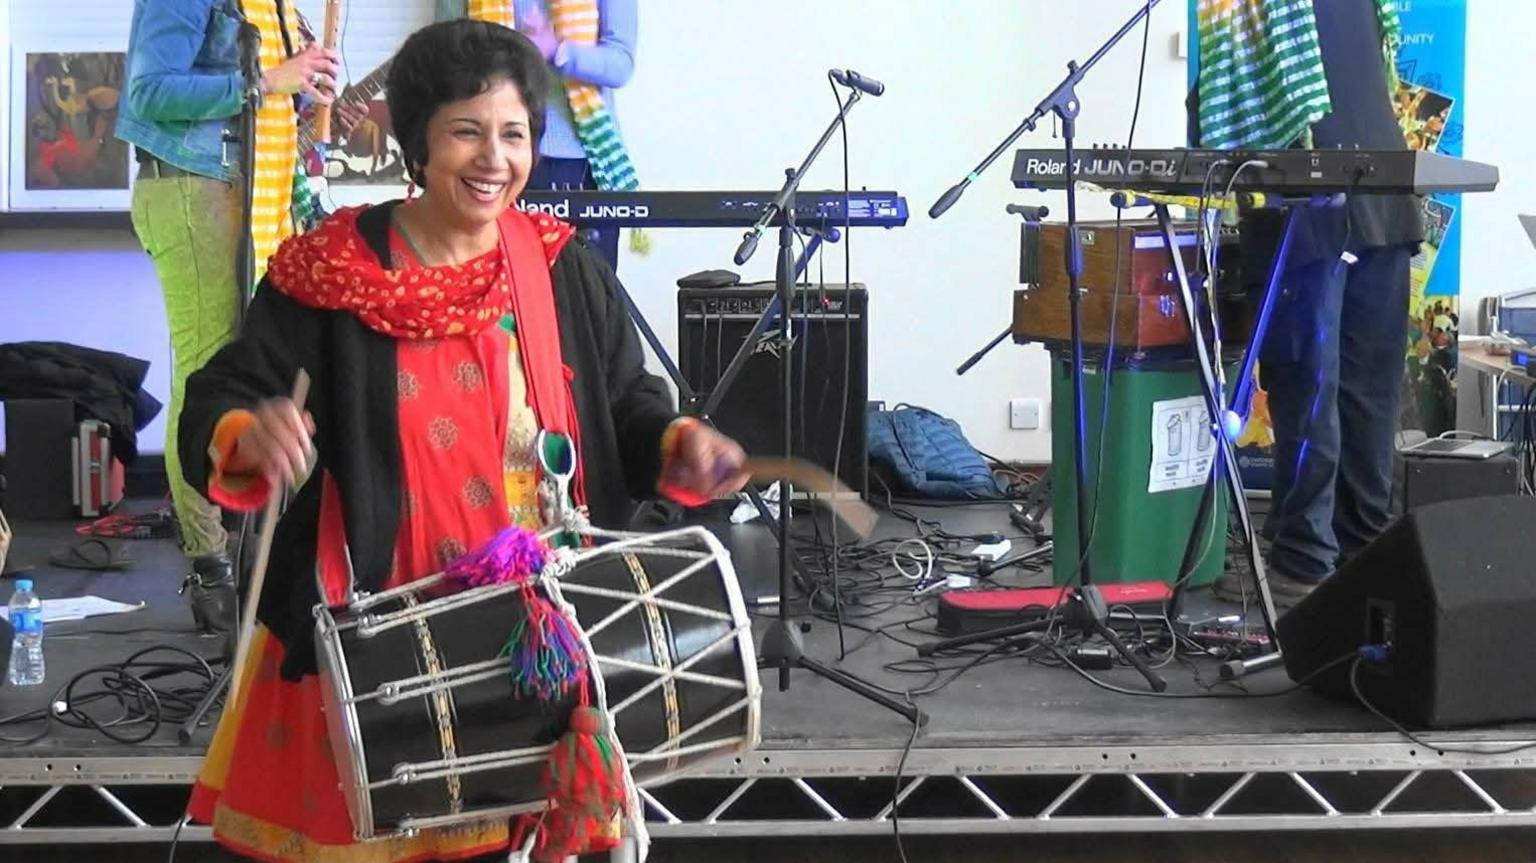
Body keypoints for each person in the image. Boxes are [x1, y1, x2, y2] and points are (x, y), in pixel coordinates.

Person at [181, 20, 747, 862]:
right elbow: (222, 394)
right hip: (375, 627)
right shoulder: (332, 273)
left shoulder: (559, 267)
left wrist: (678, 438)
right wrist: (248, 434)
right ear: (418, 140)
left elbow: (629, 403)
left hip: (538, 634)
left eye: (514, 134)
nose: (494, 159)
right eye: (466, 132)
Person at [115, 0, 341, 630]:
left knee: (263, 364)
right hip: (194, 186)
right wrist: (270, 80)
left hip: (249, 188)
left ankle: (277, 550)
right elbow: (150, 92)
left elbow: (264, 103)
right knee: (208, 367)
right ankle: (208, 559)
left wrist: (307, 91)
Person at [1201, 0, 1423, 606]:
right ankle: (1320, 560)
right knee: (1324, 389)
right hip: (1319, 195)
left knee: (1352, 393)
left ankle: (1343, 558)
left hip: (1366, 193)